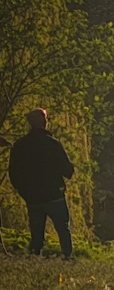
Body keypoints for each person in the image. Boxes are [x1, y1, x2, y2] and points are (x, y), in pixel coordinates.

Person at [8, 108, 74, 259]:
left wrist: (24, 192)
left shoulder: (20, 146)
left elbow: (14, 173)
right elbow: (67, 171)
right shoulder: (53, 144)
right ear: (45, 123)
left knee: (36, 233)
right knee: (63, 229)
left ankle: (35, 259)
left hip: (33, 197)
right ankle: (67, 258)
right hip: (54, 195)